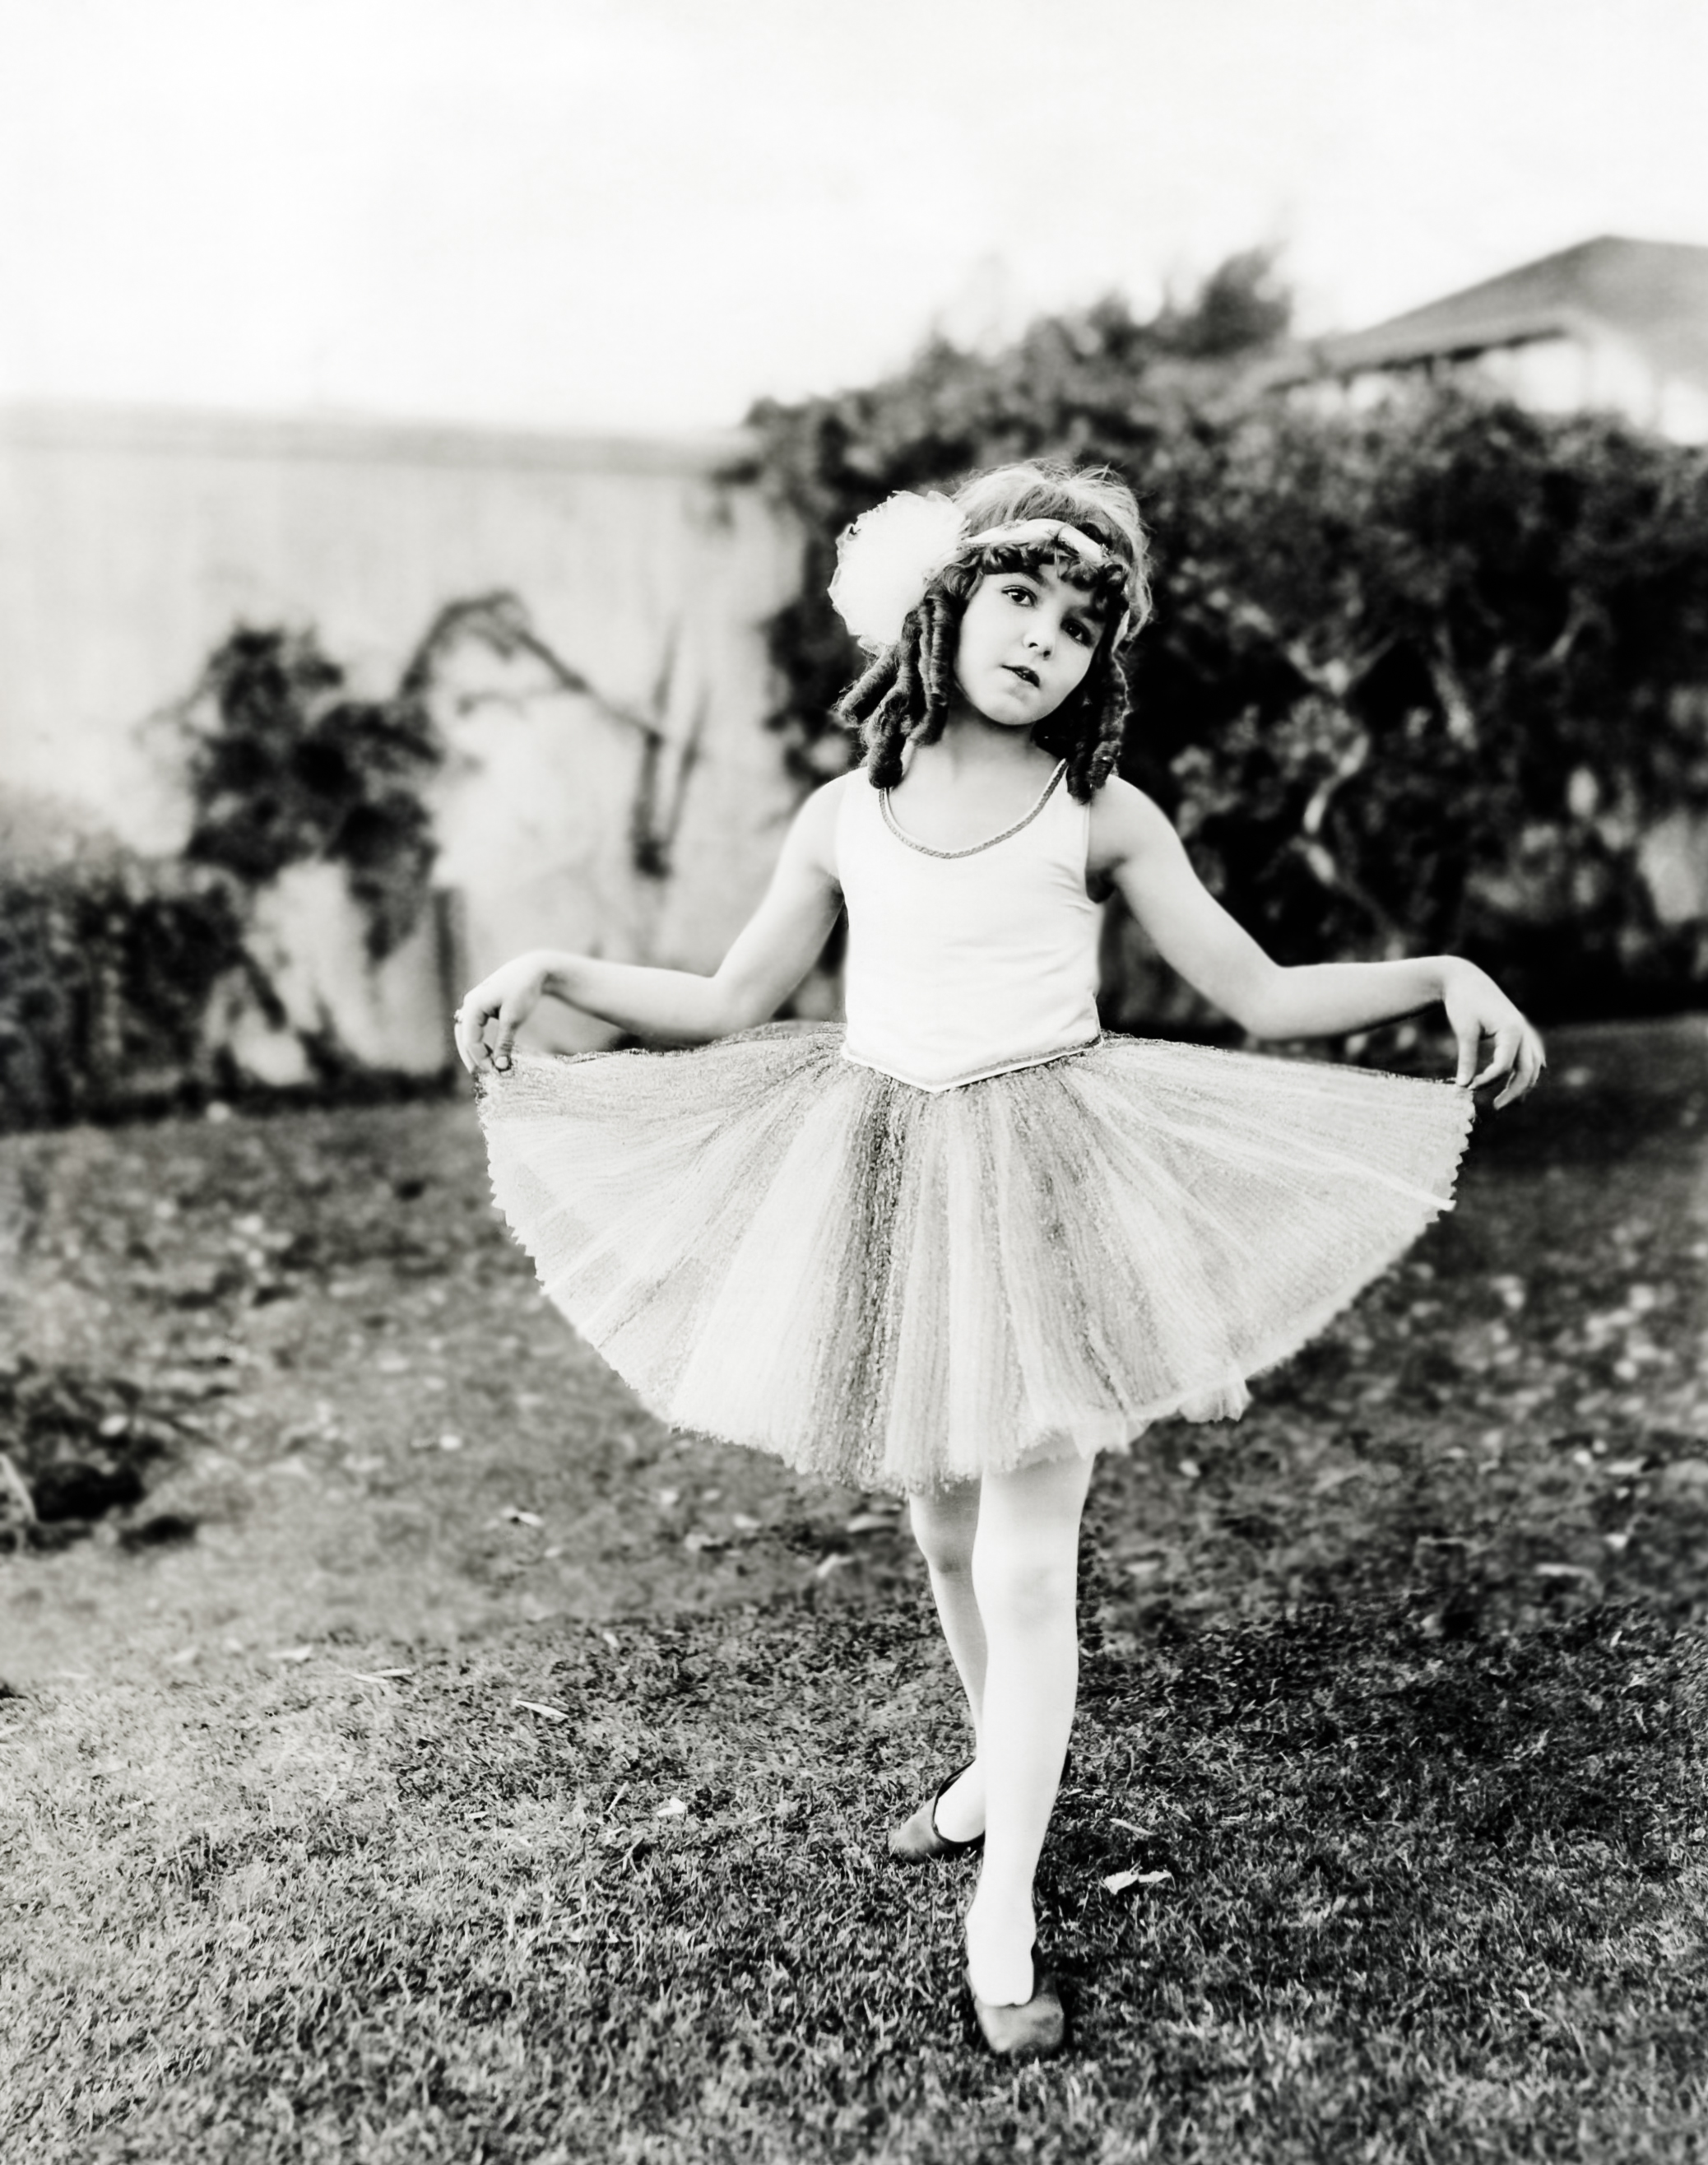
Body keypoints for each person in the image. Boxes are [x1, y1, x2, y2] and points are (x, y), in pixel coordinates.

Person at [453, 459, 1543, 2060]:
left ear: (1099, 662)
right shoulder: (846, 814)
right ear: (945, 610)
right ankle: (988, 1766)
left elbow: (1256, 992)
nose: (1044, 636)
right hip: (889, 1176)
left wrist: (1440, 967)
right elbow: (730, 1000)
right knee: (944, 1530)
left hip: (1043, 1189)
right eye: (1020, 597)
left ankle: (1007, 1898)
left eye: (1081, 622)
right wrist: (555, 965)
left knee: (1030, 1566)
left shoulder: (1099, 815)